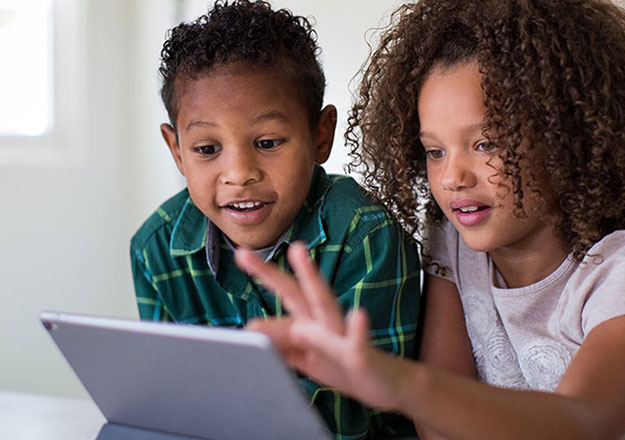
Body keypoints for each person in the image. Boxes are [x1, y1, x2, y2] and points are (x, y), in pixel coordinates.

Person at [235, 0, 625, 438]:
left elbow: (584, 422)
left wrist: (394, 381)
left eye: (486, 144)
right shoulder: (453, 242)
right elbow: (439, 427)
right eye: (434, 151)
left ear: (568, 139)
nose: (453, 176)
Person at [128, 1, 421, 438]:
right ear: (176, 151)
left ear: (320, 135)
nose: (240, 173)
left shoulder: (365, 236)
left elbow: (362, 417)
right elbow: (170, 396)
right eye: (207, 149)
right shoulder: (155, 248)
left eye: (267, 142)